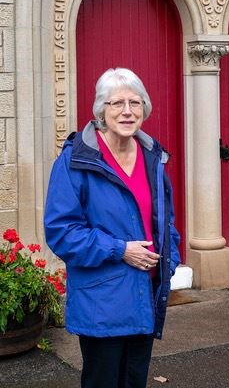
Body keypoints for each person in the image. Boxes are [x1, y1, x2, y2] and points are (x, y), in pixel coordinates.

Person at [44, 67, 180, 388]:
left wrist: (168, 264)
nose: (127, 111)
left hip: (144, 295)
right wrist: (120, 250)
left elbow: (167, 223)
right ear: (101, 111)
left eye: (135, 102)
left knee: (134, 381)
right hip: (101, 301)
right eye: (117, 103)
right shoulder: (75, 161)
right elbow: (62, 231)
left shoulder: (152, 159)